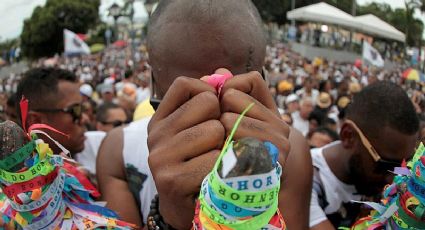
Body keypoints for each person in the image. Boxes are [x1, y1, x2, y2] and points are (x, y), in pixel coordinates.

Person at [96, 1, 312, 229]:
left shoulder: (289, 151)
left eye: (229, 106)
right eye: (187, 102)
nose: (211, 130)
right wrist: (172, 214)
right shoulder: (119, 151)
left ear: (153, 84)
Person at [309, 81, 419, 229]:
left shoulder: (379, 183)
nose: (394, 178)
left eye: (404, 166)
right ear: (348, 136)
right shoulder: (305, 178)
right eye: (386, 166)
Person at [15, 68, 86, 157]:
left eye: (82, 108)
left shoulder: (99, 145)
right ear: (36, 121)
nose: (84, 119)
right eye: (75, 110)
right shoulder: (13, 169)